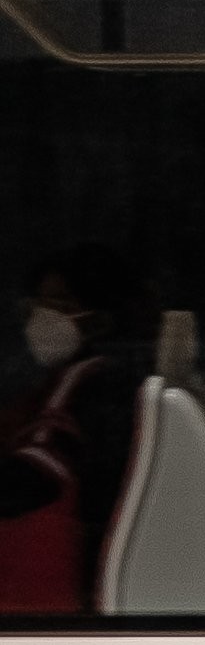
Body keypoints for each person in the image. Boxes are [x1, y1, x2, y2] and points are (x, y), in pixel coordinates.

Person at [0, 244, 154, 613]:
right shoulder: (103, 380)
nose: (42, 317)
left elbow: (30, 480)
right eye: (38, 304)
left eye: (60, 304)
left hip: (67, 589)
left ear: (100, 317)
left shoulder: (86, 381)